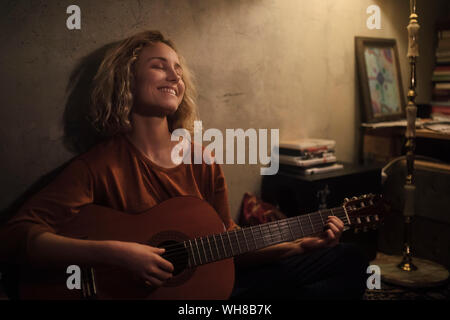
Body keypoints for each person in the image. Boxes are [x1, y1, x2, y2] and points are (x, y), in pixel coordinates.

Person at [0, 30, 368, 299]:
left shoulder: (201, 160)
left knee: (348, 259)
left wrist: (298, 246)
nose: (175, 76)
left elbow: (227, 241)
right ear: (125, 81)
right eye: (160, 67)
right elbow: (15, 235)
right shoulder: (99, 167)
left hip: (208, 287)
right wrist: (116, 252)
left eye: (178, 69)